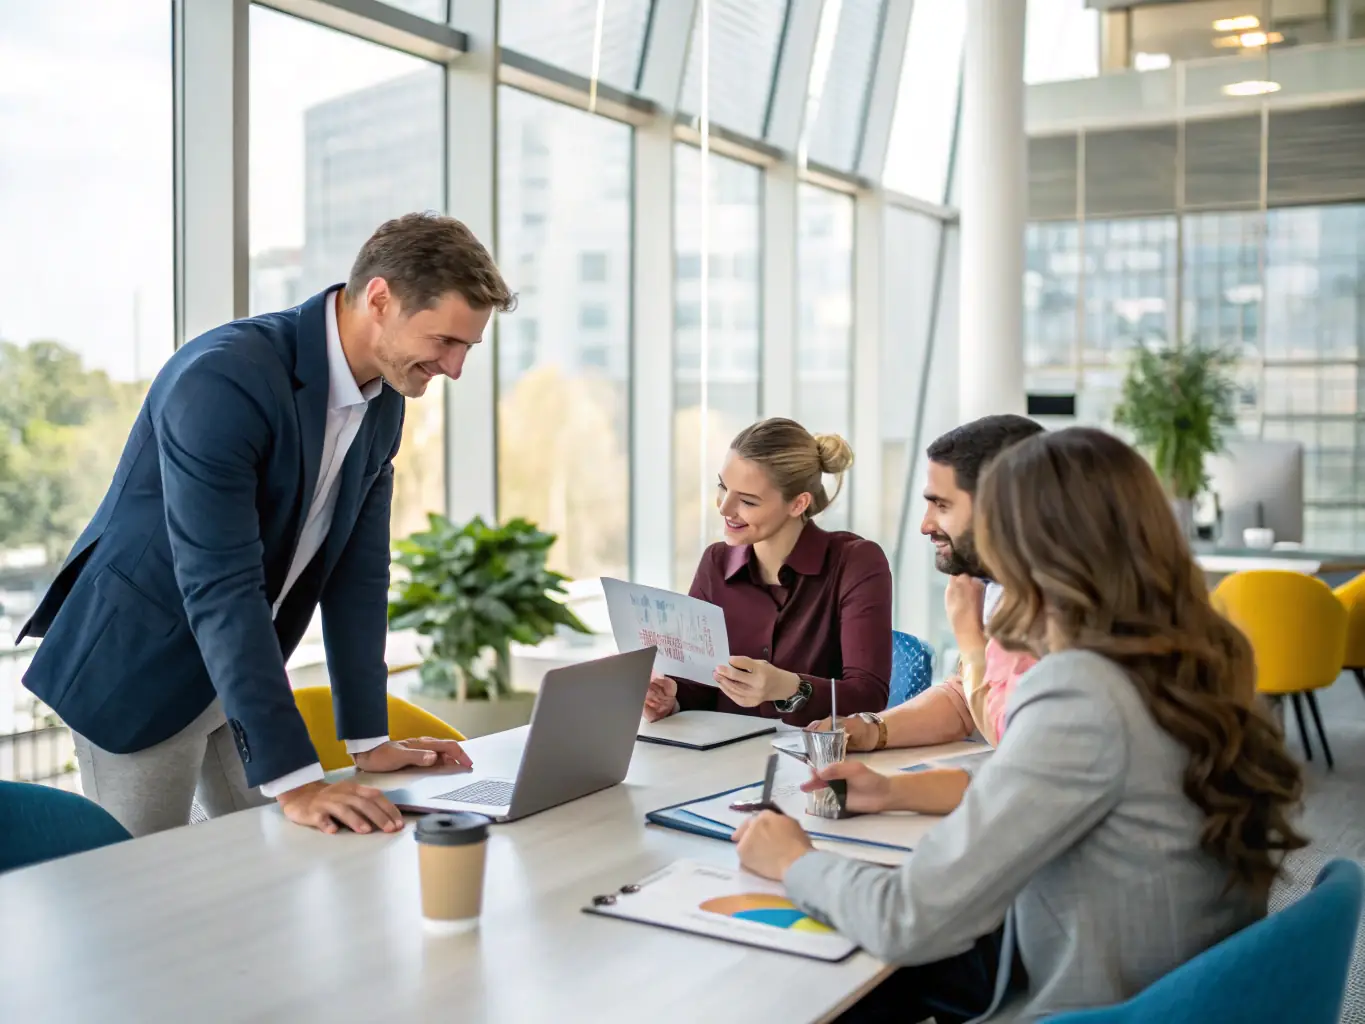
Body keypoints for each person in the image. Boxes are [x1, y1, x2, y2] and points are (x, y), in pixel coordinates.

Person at [732, 427, 1308, 1023]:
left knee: (827, 982)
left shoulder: (1083, 690)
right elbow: (1075, 784)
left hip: (1092, 1000)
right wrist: (895, 789)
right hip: (1175, 986)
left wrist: (793, 858)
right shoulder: (1192, 659)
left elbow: (907, 918)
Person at [17, 213, 515, 838]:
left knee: (283, 866)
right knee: (142, 894)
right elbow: (219, 581)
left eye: (466, 347)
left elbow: (359, 576)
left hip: (241, 670)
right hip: (141, 668)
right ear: (381, 300)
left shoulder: (385, 399)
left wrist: (368, 740)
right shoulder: (225, 378)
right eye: (444, 341)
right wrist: (298, 782)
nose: (454, 367)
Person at [809, 415, 1043, 776]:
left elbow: (1021, 742)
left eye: (942, 506)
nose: (925, 524)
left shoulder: (1063, 605)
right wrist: (873, 730)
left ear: (998, 508)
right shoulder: (994, 585)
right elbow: (966, 698)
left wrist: (969, 638)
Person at [642, 418, 891, 726]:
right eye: (723, 487)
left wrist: (787, 687)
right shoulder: (715, 563)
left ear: (798, 504)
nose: (724, 507)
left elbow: (869, 696)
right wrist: (672, 696)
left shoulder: (856, 563)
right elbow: (703, 684)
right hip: (720, 762)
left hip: (811, 761)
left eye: (747, 500)